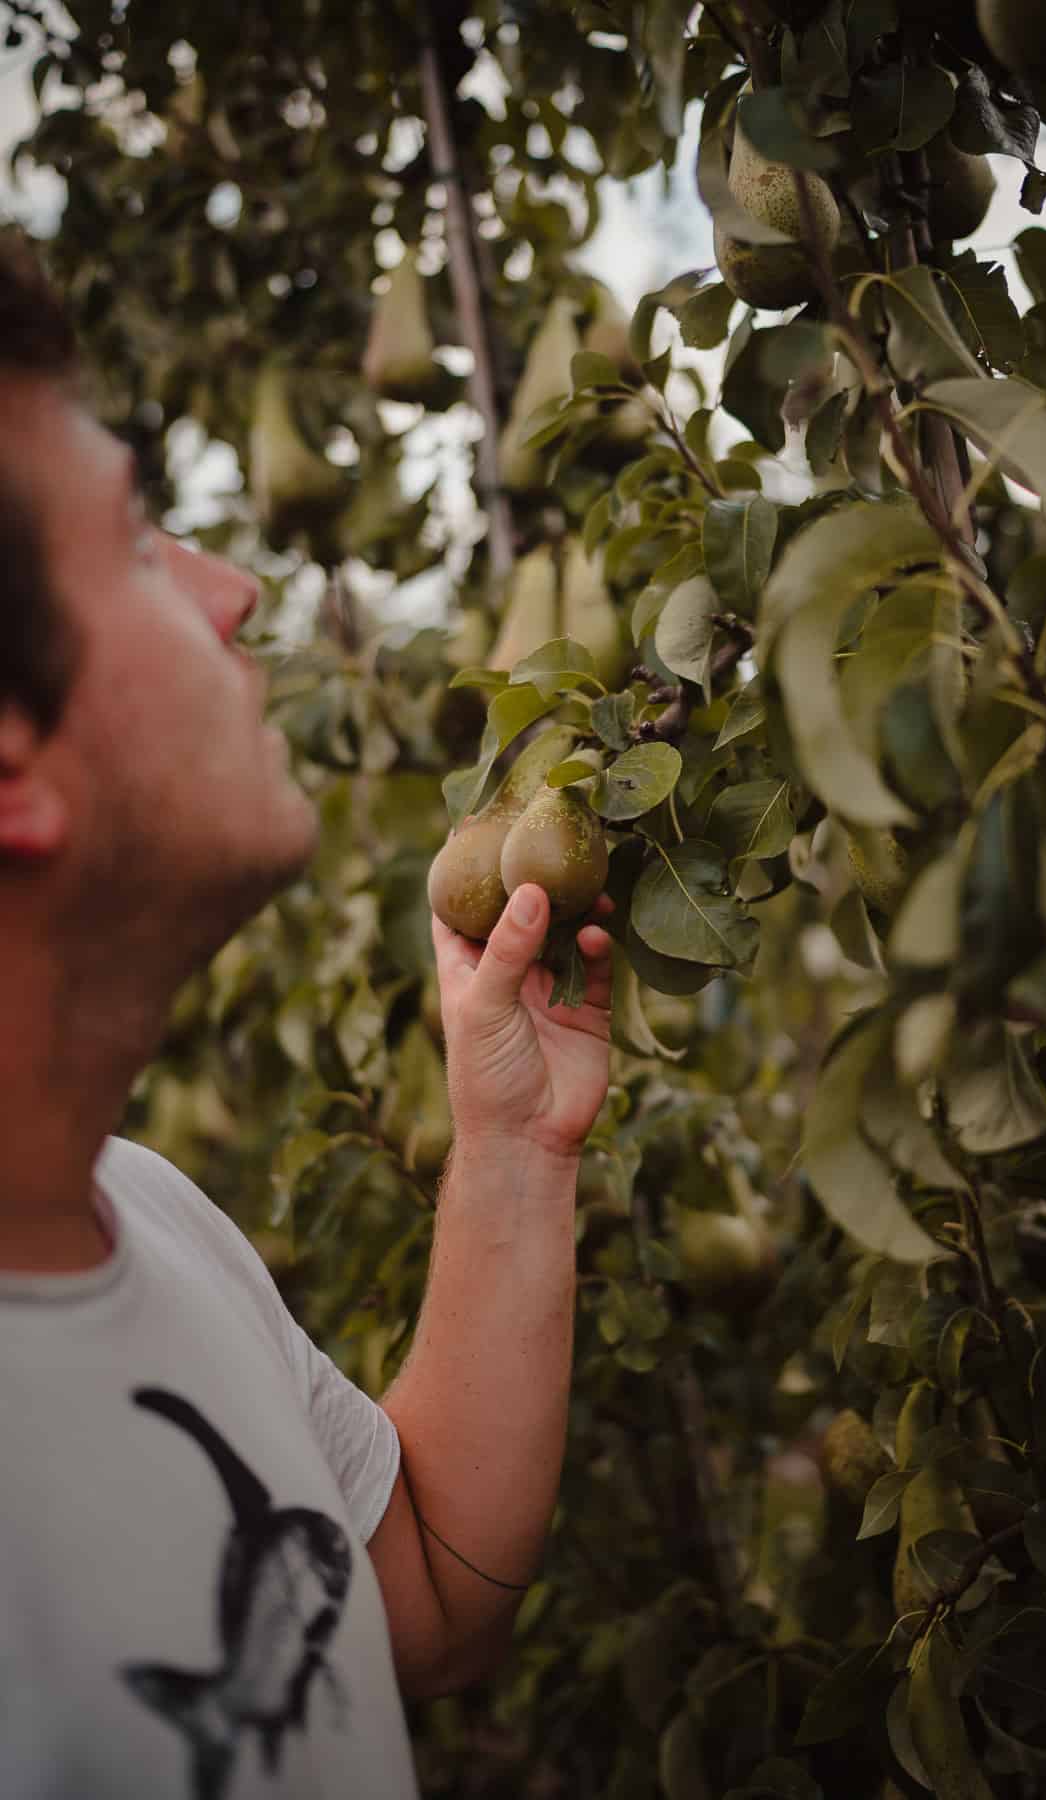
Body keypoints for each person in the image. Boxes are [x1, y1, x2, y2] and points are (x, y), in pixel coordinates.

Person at [0, 229, 613, 1798]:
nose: (238, 589)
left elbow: (403, 1591)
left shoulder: (138, 1212)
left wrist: (511, 1148)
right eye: (142, 544)